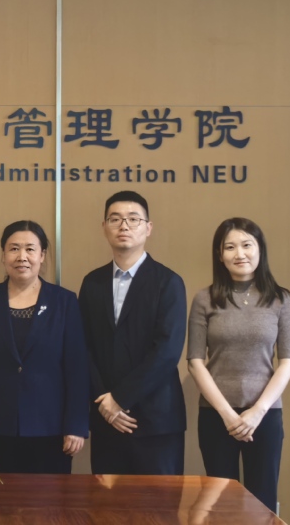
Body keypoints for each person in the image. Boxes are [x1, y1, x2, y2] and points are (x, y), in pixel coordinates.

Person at [0, 220, 89, 474]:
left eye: (30, 249)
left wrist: (76, 424)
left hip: (52, 428)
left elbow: (77, 367)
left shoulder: (64, 301)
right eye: (14, 249)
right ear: (3, 255)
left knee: (50, 498)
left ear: (42, 255)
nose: (22, 257)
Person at [187, 218, 290, 513]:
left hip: (265, 415)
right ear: (219, 255)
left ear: (260, 250)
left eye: (247, 245)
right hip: (216, 415)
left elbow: (287, 362)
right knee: (219, 503)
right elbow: (195, 362)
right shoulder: (204, 299)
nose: (240, 254)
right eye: (230, 247)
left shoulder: (281, 299)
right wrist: (228, 415)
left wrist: (257, 412)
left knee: (262, 502)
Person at [78, 190, 187, 475]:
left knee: (159, 503)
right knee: (106, 501)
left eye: (133, 219)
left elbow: (167, 351)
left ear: (148, 228)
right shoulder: (92, 283)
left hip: (156, 421)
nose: (124, 226)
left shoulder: (168, 282)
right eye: (115, 219)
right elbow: (83, 347)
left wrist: (120, 399)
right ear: (104, 227)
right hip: (105, 418)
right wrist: (104, 400)